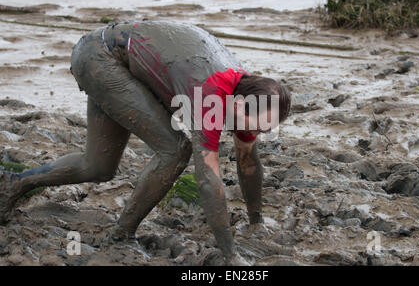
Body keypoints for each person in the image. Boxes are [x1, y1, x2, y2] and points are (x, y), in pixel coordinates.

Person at [0, 20, 291, 265]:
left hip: (120, 61)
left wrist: (257, 222)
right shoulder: (211, 95)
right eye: (257, 126)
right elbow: (207, 180)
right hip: (101, 57)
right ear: (239, 105)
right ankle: (121, 235)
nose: (259, 133)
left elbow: (248, 160)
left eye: (267, 128)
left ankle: (15, 182)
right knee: (175, 150)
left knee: (98, 167)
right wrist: (231, 257)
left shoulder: (249, 96)